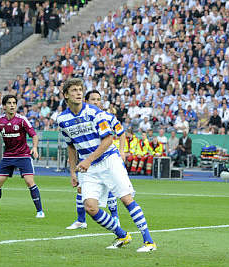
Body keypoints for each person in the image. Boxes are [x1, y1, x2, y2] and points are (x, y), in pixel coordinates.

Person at [53, 78, 156, 251]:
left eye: (80, 90)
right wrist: (73, 173)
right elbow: (70, 146)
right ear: (65, 95)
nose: (78, 93)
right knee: (90, 207)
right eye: (74, 90)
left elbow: (109, 140)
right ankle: (122, 235)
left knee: (126, 198)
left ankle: (149, 241)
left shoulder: (95, 113)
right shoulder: (62, 119)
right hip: (88, 168)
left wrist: (88, 160)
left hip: (109, 161)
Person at [0, 95, 43, 218]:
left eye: (14, 103)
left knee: (29, 182)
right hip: (8, 156)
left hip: (23, 155)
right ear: (4, 106)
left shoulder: (22, 120)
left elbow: (34, 135)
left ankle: (40, 211)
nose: (12, 105)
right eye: (9, 103)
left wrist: (34, 147)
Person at [67, 88, 118, 230]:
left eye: (98, 99)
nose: (96, 102)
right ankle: (81, 220)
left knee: (110, 187)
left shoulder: (106, 117)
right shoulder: (80, 118)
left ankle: (115, 218)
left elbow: (119, 134)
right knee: (80, 189)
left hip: (106, 159)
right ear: (86, 101)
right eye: (93, 99)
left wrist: (121, 151)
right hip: (86, 161)